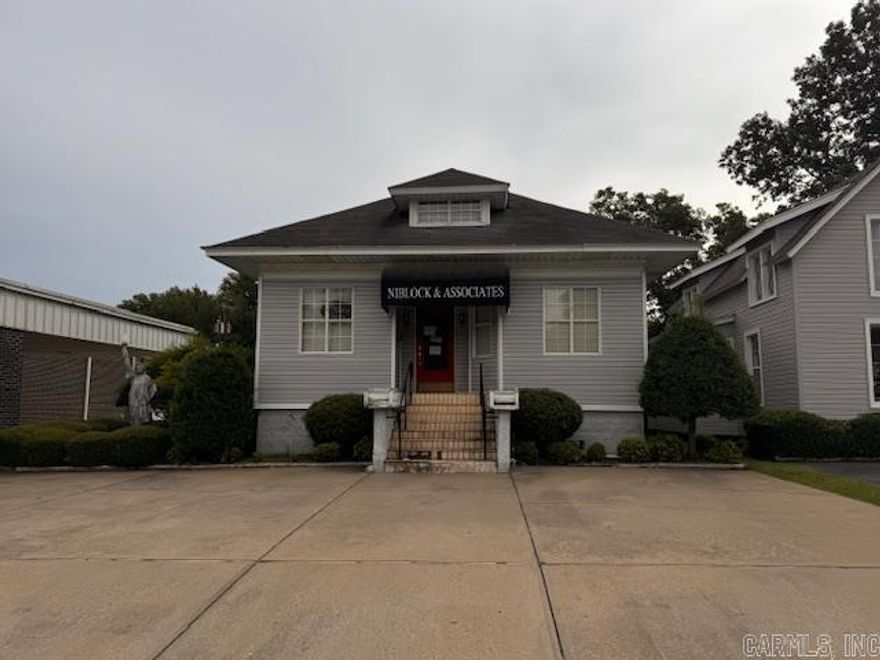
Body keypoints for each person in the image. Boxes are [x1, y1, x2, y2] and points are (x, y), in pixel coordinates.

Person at [121, 343, 156, 425]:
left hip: (143, 404)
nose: (137, 367)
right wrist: (124, 350)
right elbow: (127, 364)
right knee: (133, 420)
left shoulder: (147, 378)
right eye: (136, 366)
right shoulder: (134, 377)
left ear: (144, 367)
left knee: (142, 421)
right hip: (133, 403)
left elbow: (153, 390)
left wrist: (147, 400)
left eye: (140, 366)